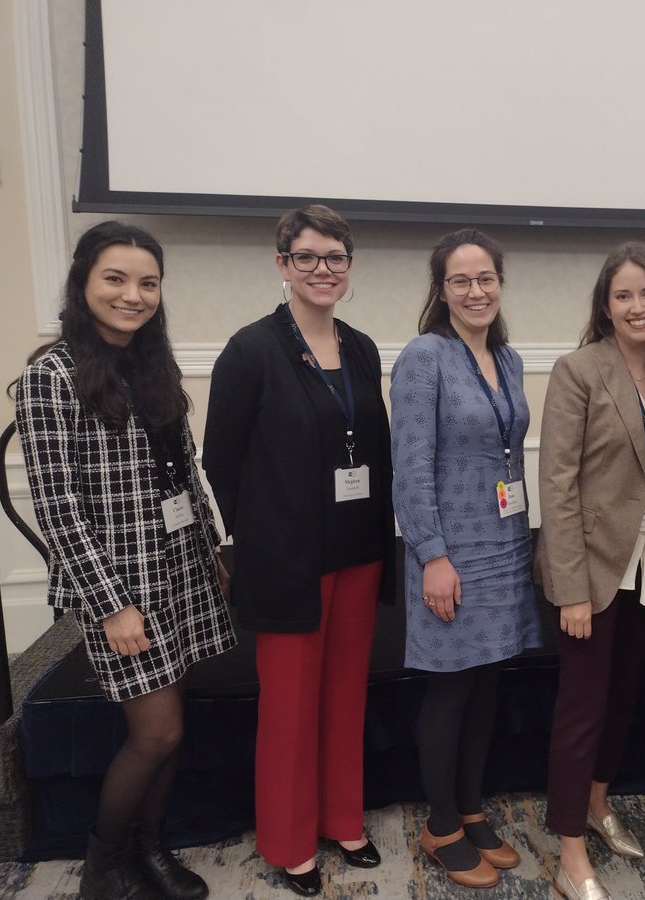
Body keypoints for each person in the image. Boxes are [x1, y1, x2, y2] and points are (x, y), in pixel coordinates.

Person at [15, 221, 236, 900]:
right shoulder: (48, 378)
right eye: (115, 278)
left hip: (180, 567)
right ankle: (104, 866)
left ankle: (151, 847)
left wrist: (210, 551)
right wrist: (110, 605)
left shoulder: (150, 364)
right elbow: (59, 511)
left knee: (174, 726)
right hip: (122, 583)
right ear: (83, 281)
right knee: (156, 730)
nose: (133, 295)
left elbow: (184, 473)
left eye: (147, 282)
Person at [203, 205, 394, 897]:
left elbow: (369, 446)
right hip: (287, 560)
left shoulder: (364, 347)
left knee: (345, 694)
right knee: (289, 707)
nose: (323, 269)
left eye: (335, 257)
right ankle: (289, 843)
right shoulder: (250, 351)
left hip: (359, 549)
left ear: (349, 268)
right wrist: (262, 533)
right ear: (282, 264)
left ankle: (343, 818)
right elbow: (219, 460)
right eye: (307, 257)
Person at [536, 243, 645, 900]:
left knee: (626, 699)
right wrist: (572, 590)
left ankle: (598, 804)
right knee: (583, 708)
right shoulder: (579, 370)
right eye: (623, 295)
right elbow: (557, 484)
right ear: (606, 305)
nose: (637, 306)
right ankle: (570, 846)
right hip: (592, 575)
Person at [391, 228, 542, 890]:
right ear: (441, 290)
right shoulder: (425, 357)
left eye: (486, 278)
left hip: (504, 543)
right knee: (450, 684)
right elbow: (411, 463)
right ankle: (441, 824)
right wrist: (432, 555)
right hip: (449, 549)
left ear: (500, 284)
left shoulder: (506, 359)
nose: (476, 291)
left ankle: (473, 808)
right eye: (461, 280)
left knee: (486, 682)